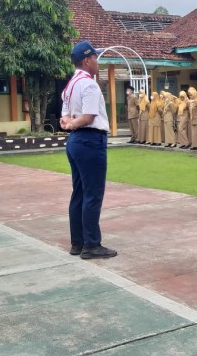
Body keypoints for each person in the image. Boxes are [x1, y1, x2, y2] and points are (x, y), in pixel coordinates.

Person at [59, 40, 116, 259]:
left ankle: (78, 242)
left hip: (76, 142)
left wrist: (68, 123)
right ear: (86, 59)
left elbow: (65, 113)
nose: (97, 62)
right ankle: (92, 245)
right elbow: (89, 116)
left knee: (80, 193)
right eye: (95, 58)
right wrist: (73, 123)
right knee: (93, 194)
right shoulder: (89, 84)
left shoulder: (71, 84)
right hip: (90, 140)